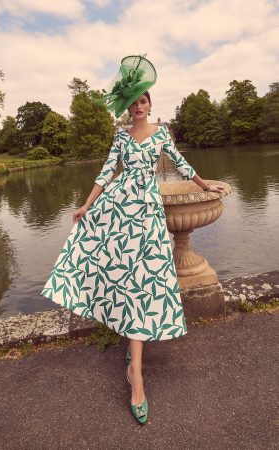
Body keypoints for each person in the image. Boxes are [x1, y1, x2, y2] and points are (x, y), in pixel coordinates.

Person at [40, 55, 224, 425]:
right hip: (120, 214)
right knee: (126, 280)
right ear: (128, 106)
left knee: (145, 284)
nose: (139, 106)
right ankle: (135, 371)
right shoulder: (121, 137)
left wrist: (207, 185)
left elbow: (181, 165)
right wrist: (86, 205)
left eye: (144, 100)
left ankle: (134, 366)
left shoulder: (161, 135)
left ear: (150, 104)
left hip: (149, 218)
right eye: (134, 101)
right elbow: (106, 174)